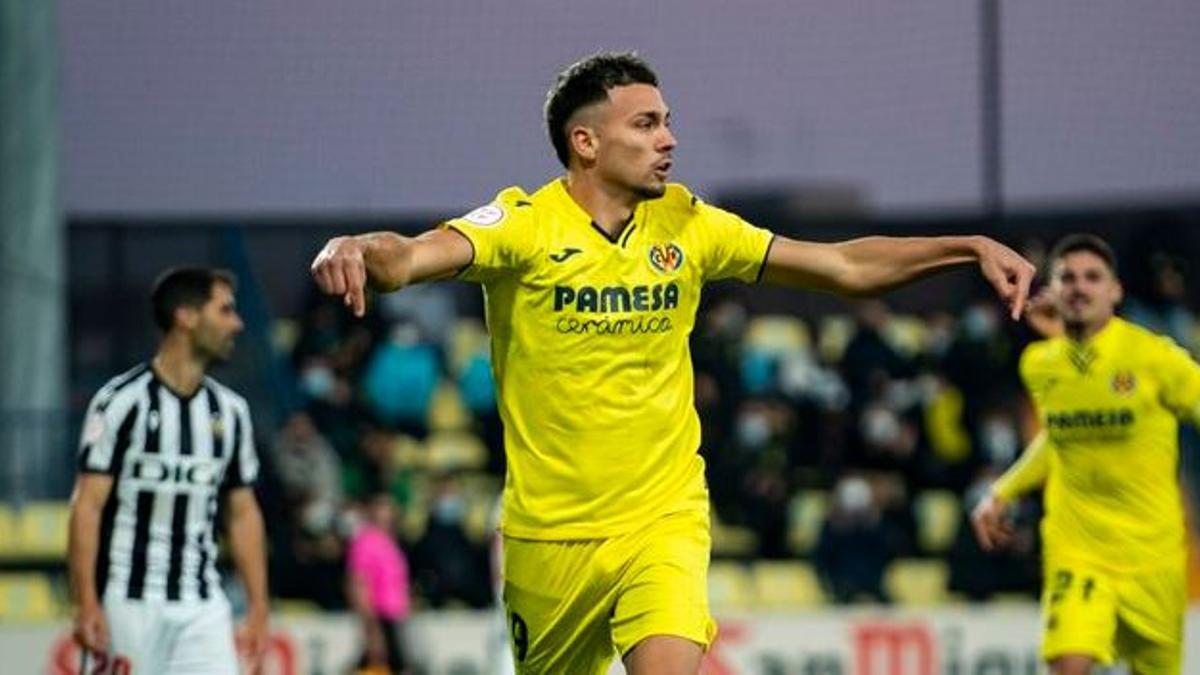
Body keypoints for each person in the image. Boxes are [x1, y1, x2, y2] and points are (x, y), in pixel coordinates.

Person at [310, 52, 1035, 675]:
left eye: (666, 121)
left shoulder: (690, 224)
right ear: (585, 141)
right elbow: (408, 256)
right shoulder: (524, 227)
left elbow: (843, 264)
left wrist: (965, 245)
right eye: (647, 124)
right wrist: (355, 246)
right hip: (548, 536)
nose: (670, 139)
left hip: (663, 516)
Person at [972, 234, 1200, 675]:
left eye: (1093, 278)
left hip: (1152, 554)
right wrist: (1001, 491)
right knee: (1069, 664)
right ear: (1053, 291)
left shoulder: (1155, 359)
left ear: (1115, 291)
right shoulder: (1041, 365)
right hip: (1077, 549)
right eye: (1068, 278)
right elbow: (1059, 438)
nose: (1080, 287)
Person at [68, 268, 269, 674]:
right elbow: (87, 506)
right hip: (128, 602)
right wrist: (86, 601)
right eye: (226, 310)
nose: (238, 323)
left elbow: (243, 512)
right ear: (186, 316)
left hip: (203, 604)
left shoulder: (230, 412)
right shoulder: (120, 403)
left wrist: (259, 606)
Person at [346, 492, 412, 674]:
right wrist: (370, 624)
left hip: (394, 615)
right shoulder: (366, 541)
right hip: (379, 615)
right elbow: (359, 582)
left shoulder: (390, 541)